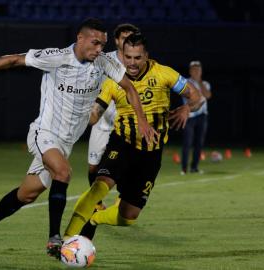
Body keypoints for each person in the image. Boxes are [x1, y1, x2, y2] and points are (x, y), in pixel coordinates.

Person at [0, 18, 157, 260]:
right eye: (95, 43)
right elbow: (14, 59)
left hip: (65, 144)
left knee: (27, 194)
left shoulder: (104, 62)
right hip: (43, 133)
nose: (100, 49)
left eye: (103, 44)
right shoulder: (57, 57)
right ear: (80, 38)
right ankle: (55, 239)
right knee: (63, 172)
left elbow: (129, 88)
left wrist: (141, 120)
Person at [64, 33, 203, 241]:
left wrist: (186, 109)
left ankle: (95, 219)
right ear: (122, 55)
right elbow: (95, 115)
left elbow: (197, 97)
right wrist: (80, 114)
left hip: (151, 153)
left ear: (146, 55)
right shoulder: (114, 81)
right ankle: (66, 240)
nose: (132, 63)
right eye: (128, 57)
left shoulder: (164, 74)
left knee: (128, 217)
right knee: (99, 186)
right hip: (122, 143)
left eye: (137, 58)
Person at [87, 23, 139, 196]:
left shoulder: (138, 61)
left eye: (131, 38)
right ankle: (96, 204)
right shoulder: (102, 59)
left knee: (127, 164)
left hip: (126, 122)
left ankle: (123, 201)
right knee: (94, 165)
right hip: (102, 120)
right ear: (116, 40)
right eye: (124, 38)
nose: (128, 42)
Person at [181, 60, 212, 175]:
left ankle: (194, 167)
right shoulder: (185, 82)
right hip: (189, 116)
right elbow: (189, 96)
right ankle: (184, 169)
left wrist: (200, 82)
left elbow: (208, 95)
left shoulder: (205, 84)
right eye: (194, 69)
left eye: (198, 69)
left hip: (202, 116)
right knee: (187, 143)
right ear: (190, 71)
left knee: (199, 143)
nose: (197, 72)